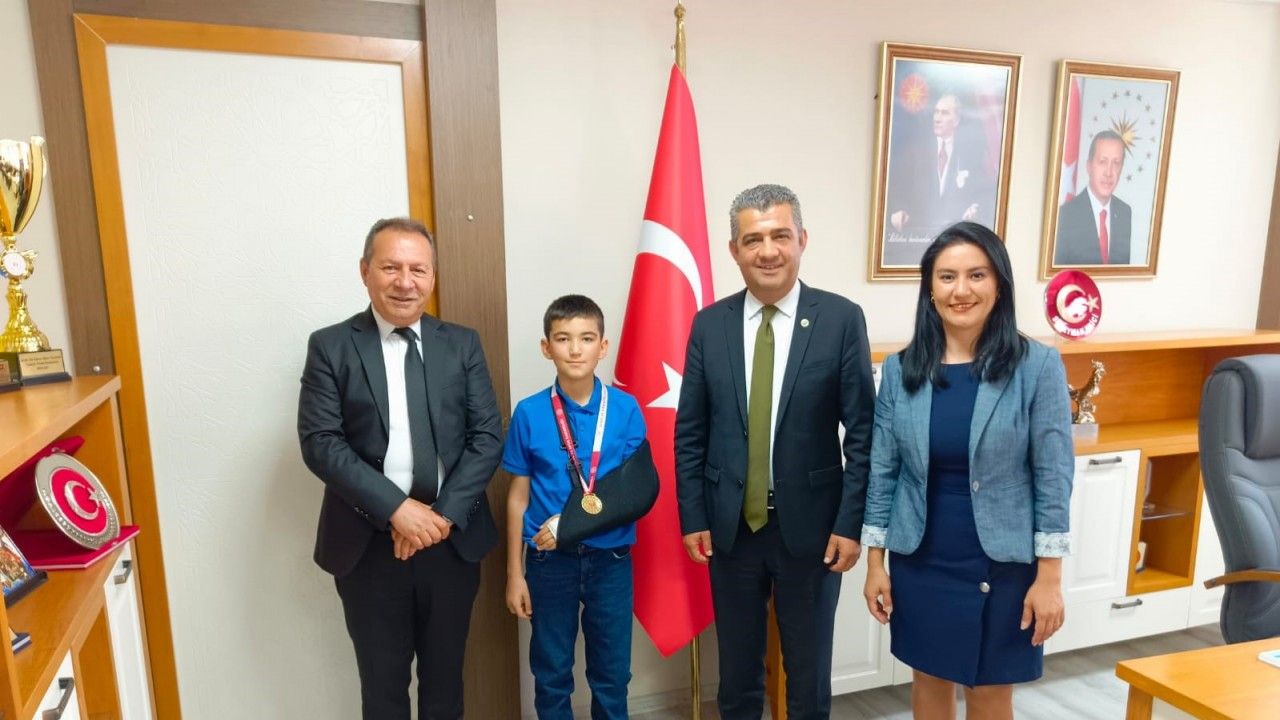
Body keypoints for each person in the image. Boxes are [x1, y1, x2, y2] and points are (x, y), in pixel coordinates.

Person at [675, 184, 876, 719]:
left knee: (808, 678)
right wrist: (694, 516)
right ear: (734, 249)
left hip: (813, 532)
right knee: (738, 678)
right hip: (730, 531)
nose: (768, 251)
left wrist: (851, 523)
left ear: (802, 240)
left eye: (780, 236)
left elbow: (863, 434)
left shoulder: (840, 319)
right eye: (753, 239)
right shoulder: (709, 325)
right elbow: (691, 431)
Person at [860, 222, 1074, 719]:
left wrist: (1049, 577)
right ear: (930, 290)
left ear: (999, 284)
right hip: (922, 558)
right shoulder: (901, 370)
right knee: (929, 679)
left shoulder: (1037, 367)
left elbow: (1054, 477)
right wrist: (875, 564)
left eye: (977, 275)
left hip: (1003, 565)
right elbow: (884, 471)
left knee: (990, 690)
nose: (961, 290)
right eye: (947, 277)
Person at [297, 217, 503, 720]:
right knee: (383, 690)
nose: (405, 282)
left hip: (450, 542)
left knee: (445, 687)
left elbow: (486, 436)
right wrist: (397, 511)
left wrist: (438, 518)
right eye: (391, 267)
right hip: (369, 546)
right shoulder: (331, 346)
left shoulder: (462, 343)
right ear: (365, 271)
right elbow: (321, 442)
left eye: (418, 269)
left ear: (432, 276)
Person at [502, 294, 647, 720]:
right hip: (549, 563)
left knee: (612, 675)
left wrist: (569, 523)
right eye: (563, 338)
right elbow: (517, 497)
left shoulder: (625, 408)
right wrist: (514, 573)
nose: (575, 349)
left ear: (603, 346)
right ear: (546, 347)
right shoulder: (529, 412)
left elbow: (637, 491)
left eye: (586, 338)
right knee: (551, 674)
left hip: (611, 560)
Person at [887, 94, 993, 250]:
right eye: (936, 112)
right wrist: (896, 211)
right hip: (915, 238)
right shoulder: (916, 150)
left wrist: (975, 207)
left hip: (956, 241)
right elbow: (895, 186)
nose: (937, 118)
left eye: (944, 113)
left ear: (956, 120)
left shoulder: (969, 153)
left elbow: (982, 191)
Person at [1055, 130, 1133, 265]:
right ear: (1089, 166)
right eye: (1102, 162)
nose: (1109, 172)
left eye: (1116, 163)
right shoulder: (1065, 215)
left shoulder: (1124, 212)